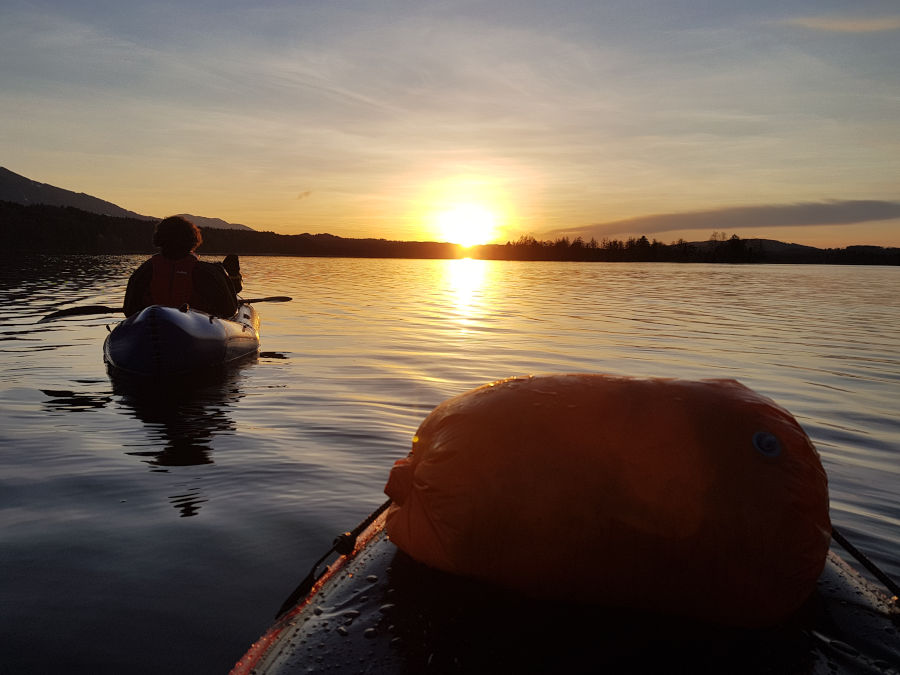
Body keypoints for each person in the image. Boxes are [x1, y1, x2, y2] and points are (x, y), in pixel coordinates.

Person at [123, 216, 240, 317]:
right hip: (197, 330)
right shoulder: (207, 272)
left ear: (159, 239)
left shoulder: (144, 271)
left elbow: (129, 310)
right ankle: (234, 278)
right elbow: (229, 310)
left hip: (154, 325)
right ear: (192, 240)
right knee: (220, 269)